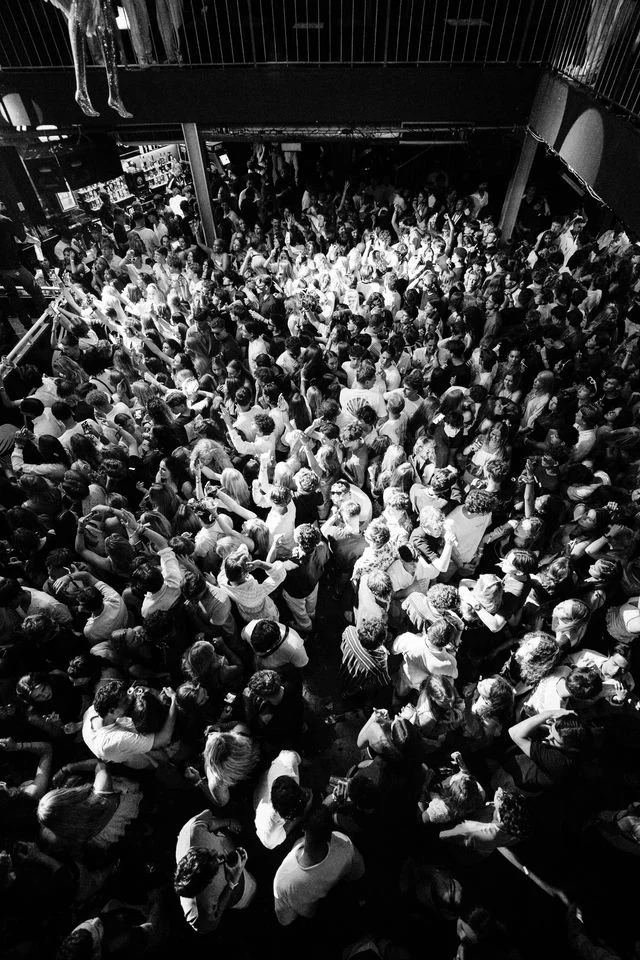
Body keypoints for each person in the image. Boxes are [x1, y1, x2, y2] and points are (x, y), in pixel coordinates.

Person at [273, 806, 365, 925]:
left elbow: (285, 919)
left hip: (309, 915)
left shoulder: (283, 879)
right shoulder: (345, 844)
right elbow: (358, 872)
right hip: (334, 905)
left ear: (304, 829)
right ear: (330, 834)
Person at [175, 809, 255, 934]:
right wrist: (232, 882)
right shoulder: (196, 913)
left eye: (212, 854)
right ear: (204, 886)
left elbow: (207, 820)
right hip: (240, 891)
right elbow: (212, 922)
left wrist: (228, 822)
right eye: (215, 868)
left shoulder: (193, 830)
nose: (222, 857)